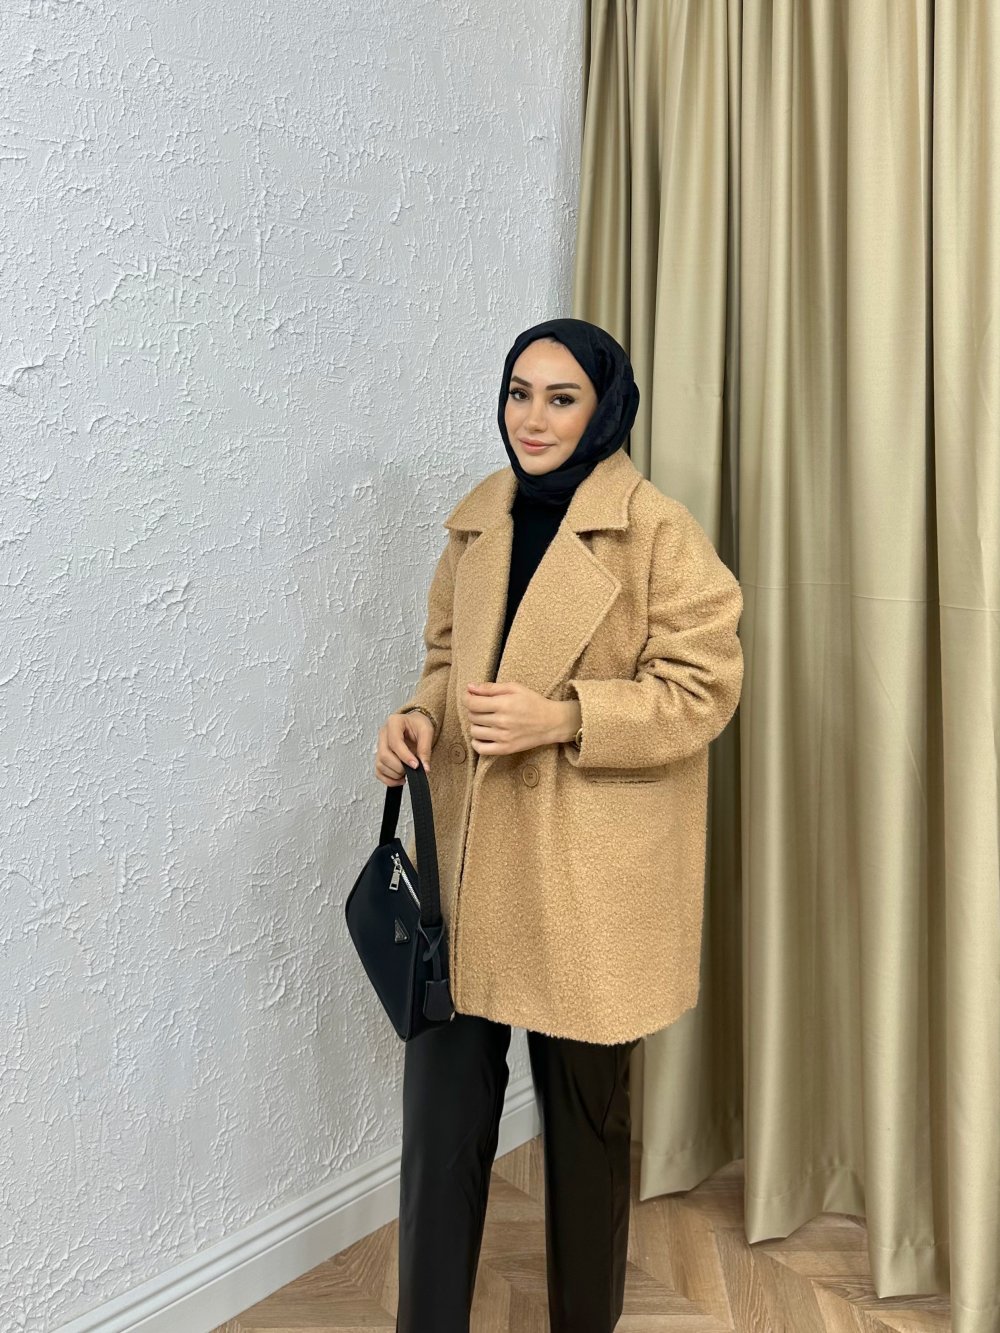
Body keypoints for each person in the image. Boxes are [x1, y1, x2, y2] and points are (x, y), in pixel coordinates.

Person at [374, 317, 744, 1332]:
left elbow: (703, 689)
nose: (532, 419)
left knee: (585, 1136)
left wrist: (567, 717)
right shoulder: (478, 521)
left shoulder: (658, 532)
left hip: (586, 880)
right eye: (518, 392)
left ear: (604, 407)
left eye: (561, 397)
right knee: (438, 1134)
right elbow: (445, 660)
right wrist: (417, 718)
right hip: (466, 874)